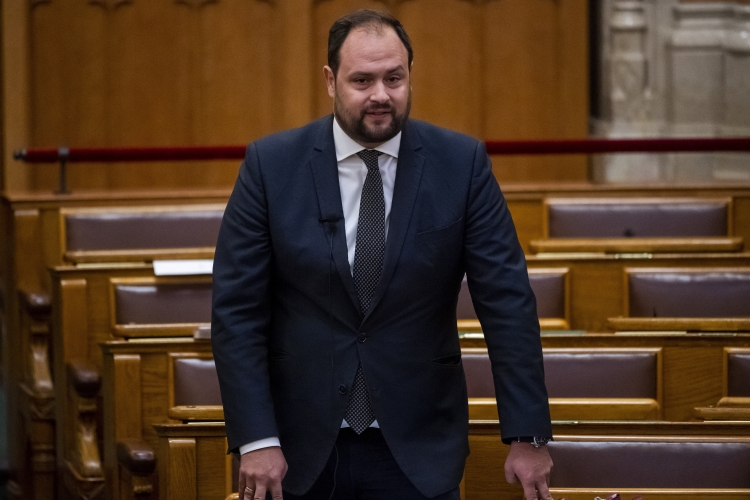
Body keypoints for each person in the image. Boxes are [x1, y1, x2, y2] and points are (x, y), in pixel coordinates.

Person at [212, 9, 553, 500]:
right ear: (330, 80)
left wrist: (527, 434)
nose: (380, 95)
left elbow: (508, 304)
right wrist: (257, 438)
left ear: (410, 74)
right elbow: (236, 313)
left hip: (419, 446)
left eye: (394, 78)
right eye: (362, 80)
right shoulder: (271, 166)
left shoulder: (462, 165)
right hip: (295, 449)